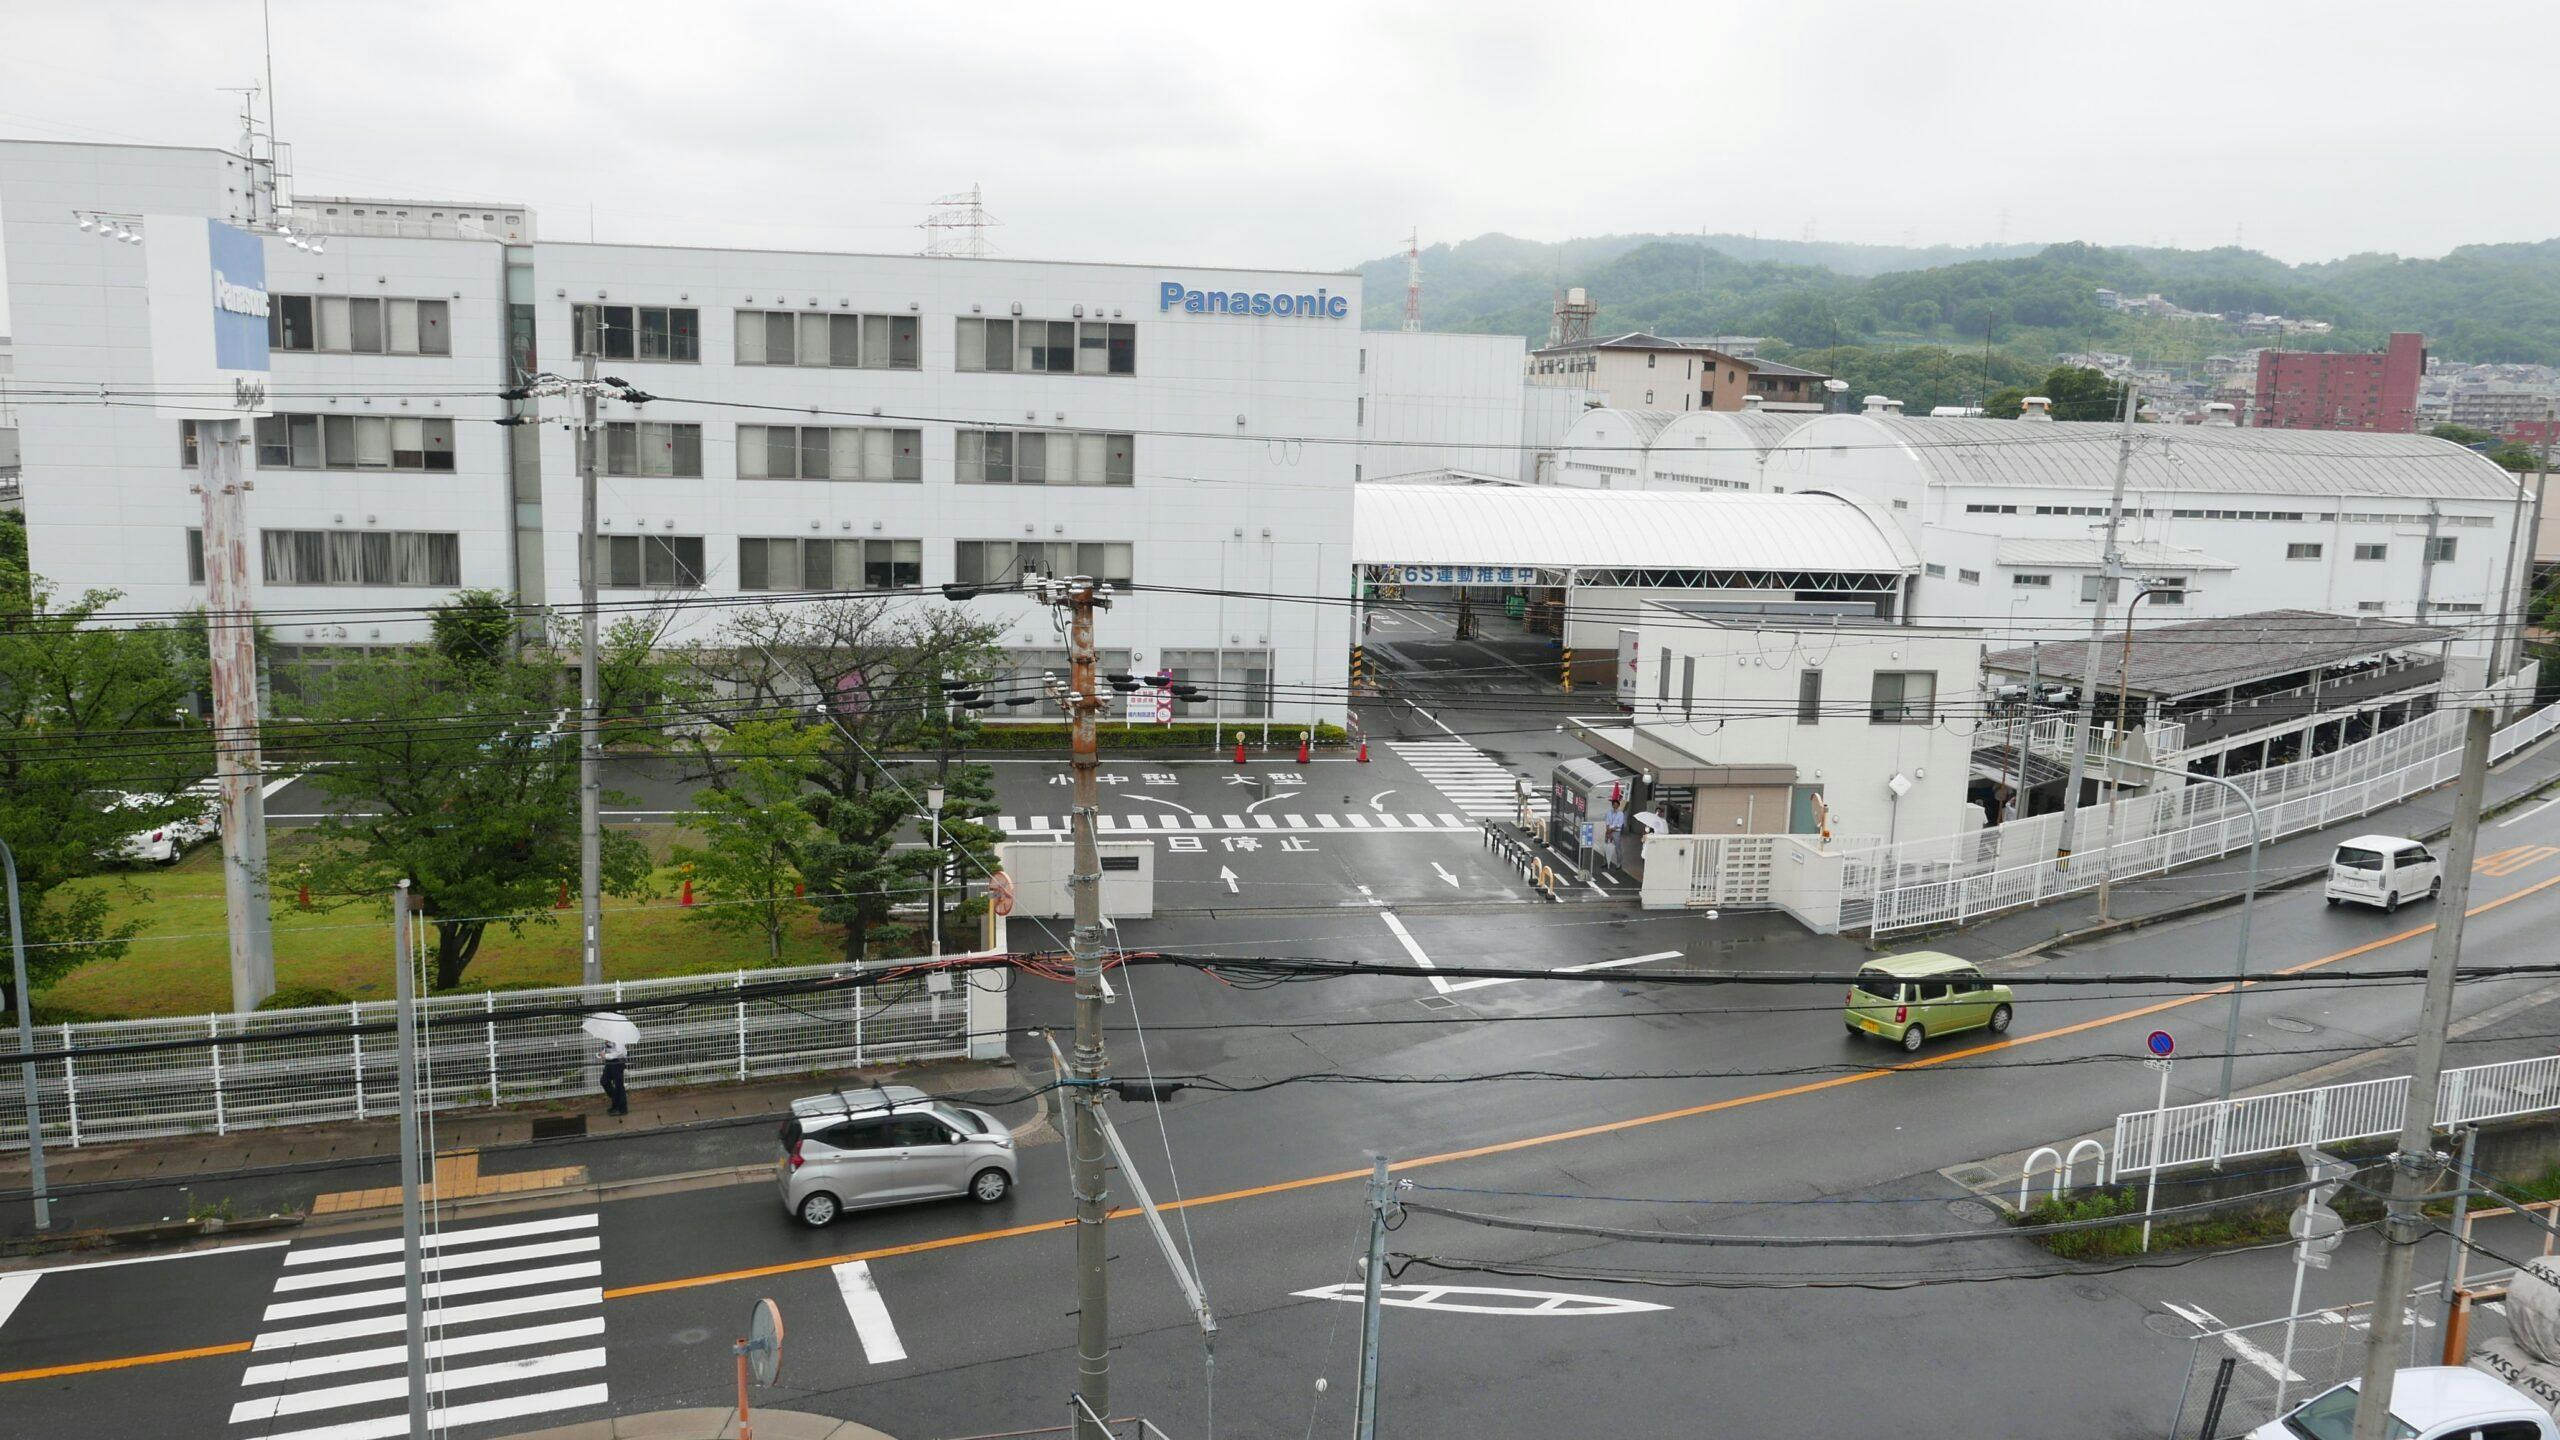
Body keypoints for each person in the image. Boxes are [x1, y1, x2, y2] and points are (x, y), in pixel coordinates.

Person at [598, 1037, 628, 1116]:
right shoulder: (608, 1037)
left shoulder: (618, 1038)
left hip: (618, 1062)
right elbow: (608, 1049)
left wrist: (606, 1056)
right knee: (604, 1081)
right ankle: (616, 1101)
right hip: (610, 1062)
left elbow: (620, 1052)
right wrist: (602, 1053)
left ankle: (622, 1109)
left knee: (619, 1086)